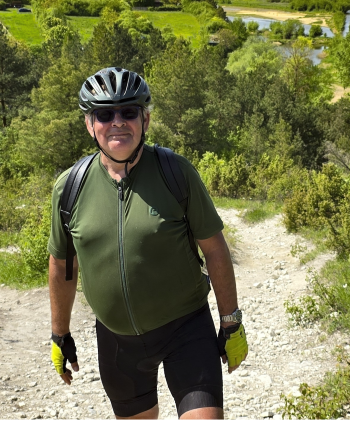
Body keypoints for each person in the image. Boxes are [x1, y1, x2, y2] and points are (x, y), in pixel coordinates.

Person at [47, 67, 248, 419]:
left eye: (128, 112)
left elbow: (215, 249)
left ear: (146, 119)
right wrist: (59, 334)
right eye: (104, 114)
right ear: (89, 124)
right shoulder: (70, 187)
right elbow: (63, 266)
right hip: (118, 344)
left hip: (187, 330)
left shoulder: (176, 172)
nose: (117, 122)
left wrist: (230, 322)